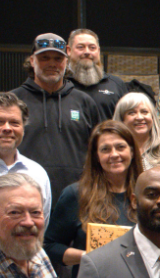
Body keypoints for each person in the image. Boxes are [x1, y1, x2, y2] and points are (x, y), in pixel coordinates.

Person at [44, 120, 142, 278]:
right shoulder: (76, 194)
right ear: (96, 156)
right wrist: (88, 257)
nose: (114, 154)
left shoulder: (148, 194)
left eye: (120, 147)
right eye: (105, 149)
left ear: (133, 151)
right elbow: (50, 246)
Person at [11, 33, 99, 206]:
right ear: (32, 60)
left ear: (66, 62)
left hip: (76, 198)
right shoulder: (13, 101)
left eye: (58, 58)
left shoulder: (85, 102)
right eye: (44, 58)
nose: (52, 64)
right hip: (23, 198)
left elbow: (96, 152)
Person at [0, 93, 52, 223]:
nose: (7, 128)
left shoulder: (37, 173)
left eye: (14, 123)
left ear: (23, 129)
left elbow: (40, 230)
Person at [113, 92, 160, 182]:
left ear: (153, 118)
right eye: (132, 113)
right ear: (121, 120)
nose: (140, 117)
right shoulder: (114, 155)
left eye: (144, 112)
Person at [66, 28, 129, 122]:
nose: (87, 52)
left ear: (98, 51)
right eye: (80, 47)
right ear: (69, 50)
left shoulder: (116, 84)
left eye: (92, 48)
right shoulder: (61, 84)